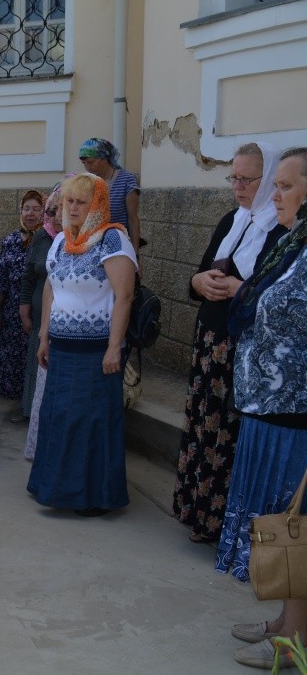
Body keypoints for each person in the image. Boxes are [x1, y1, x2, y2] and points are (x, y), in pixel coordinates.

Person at [216, 147, 307, 671]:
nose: (275, 193)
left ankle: (294, 639)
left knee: (295, 526)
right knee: (285, 524)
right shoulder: (292, 242)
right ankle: (285, 624)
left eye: (287, 186)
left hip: (295, 414)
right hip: (269, 407)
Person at [172, 142, 286, 544]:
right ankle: (198, 514)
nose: (237, 186)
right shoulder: (232, 220)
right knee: (204, 427)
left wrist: (241, 290)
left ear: (269, 177)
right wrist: (196, 282)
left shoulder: (281, 228)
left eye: (247, 178)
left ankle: (225, 523)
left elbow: (275, 293)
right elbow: (201, 274)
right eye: (233, 177)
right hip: (210, 343)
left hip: (243, 350)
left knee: (230, 434)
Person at [27, 173, 137, 516]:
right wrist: (44, 335)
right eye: (68, 202)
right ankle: (54, 489)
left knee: (90, 422)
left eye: (80, 202)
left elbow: (125, 295)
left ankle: (93, 497)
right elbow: (50, 289)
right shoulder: (61, 242)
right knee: (59, 417)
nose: (72, 209)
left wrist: (114, 346)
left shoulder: (112, 240)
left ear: (97, 206)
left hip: (95, 353)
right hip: (61, 348)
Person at [0, 189, 44, 418]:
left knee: (34, 360)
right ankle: (22, 407)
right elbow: (0, 277)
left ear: (44, 212)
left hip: (39, 310)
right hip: (12, 311)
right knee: (13, 360)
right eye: (26, 208)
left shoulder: (48, 240)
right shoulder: (11, 241)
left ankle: (33, 407)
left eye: (36, 209)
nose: (30, 214)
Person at [22, 184, 65, 460]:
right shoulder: (47, 239)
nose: (57, 214)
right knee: (36, 367)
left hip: (71, 328)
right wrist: (26, 310)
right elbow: (33, 276)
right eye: (55, 209)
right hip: (43, 318)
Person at [79, 138, 141, 256]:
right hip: (93, 246)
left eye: (91, 162)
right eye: (84, 163)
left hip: (119, 245)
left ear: (104, 158)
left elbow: (133, 219)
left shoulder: (126, 180)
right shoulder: (89, 183)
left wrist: (135, 253)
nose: (87, 167)